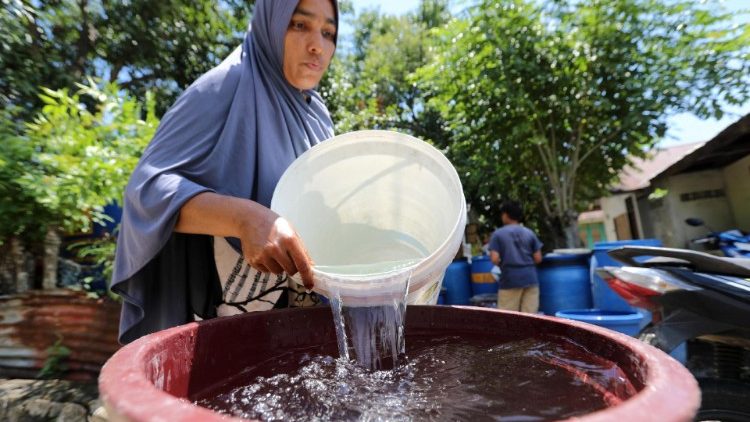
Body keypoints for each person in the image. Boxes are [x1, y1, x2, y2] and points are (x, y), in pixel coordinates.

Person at [110, 0, 339, 344]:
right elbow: (147, 190)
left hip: (296, 327)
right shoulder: (229, 84)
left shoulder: (317, 116)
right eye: (299, 25)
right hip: (220, 328)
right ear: (271, 25)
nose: (316, 46)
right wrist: (244, 219)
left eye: (328, 33)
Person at [488, 201, 543, 313]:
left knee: (508, 317)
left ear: (506, 215)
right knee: (530, 317)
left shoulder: (498, 234)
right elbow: (538, 258)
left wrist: (502, 263)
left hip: (510, 279)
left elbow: (494, 259)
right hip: (531, 279)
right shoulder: (529, 233)